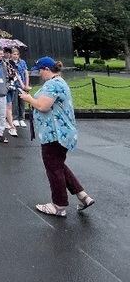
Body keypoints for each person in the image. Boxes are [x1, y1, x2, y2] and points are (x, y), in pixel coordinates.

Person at [19, 56, 95, 217]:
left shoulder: (52, 84)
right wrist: (31, 96)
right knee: (58, 165)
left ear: (47, 69)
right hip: (61, 132)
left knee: (53, 168)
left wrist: (28, 99)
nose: (39, 74)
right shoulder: (59, 82)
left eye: (40, 70)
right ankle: (82, 196)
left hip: (54, 134)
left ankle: (58, 205)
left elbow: (43, 106)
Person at [3, 46, 20, 136]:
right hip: (5, 86)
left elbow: (15, 74)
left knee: (9, 105)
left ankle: (7, 121)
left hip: (12, 86)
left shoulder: (11, 63)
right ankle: (11, 125)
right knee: (7, 105)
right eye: (6, 52)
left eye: (9, 53)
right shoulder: (1, 63)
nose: (7, 54)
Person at [11, 46, 29, 127]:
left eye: (17, 54)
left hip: (23, 85)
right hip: (15, 85)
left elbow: (26, 73)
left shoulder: (22, 62)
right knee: (14, 102)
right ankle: (15, 118)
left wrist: (27, 84)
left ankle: (21, 118)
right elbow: (15, 75)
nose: (15, 56)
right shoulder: (10, 63)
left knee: (22, 102)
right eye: (14, 54)